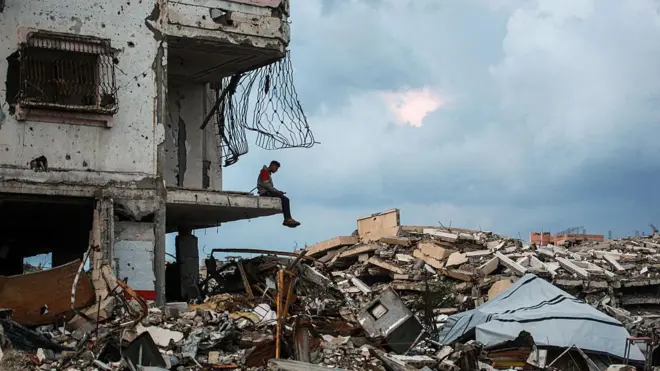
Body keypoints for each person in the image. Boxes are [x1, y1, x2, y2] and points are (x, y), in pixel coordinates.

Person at [257, 160, 300, 228]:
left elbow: (267, 185)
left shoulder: (266, 172)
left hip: (267, 192)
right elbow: (266, 185)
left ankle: (288, 219)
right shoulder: (264, 171)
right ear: (272, 165)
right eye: (276, 168)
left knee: (284, 199)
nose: (276, 170)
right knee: (285, 199)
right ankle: (288, 219)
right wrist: (277, 192)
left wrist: (278, 192)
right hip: (265, 193)